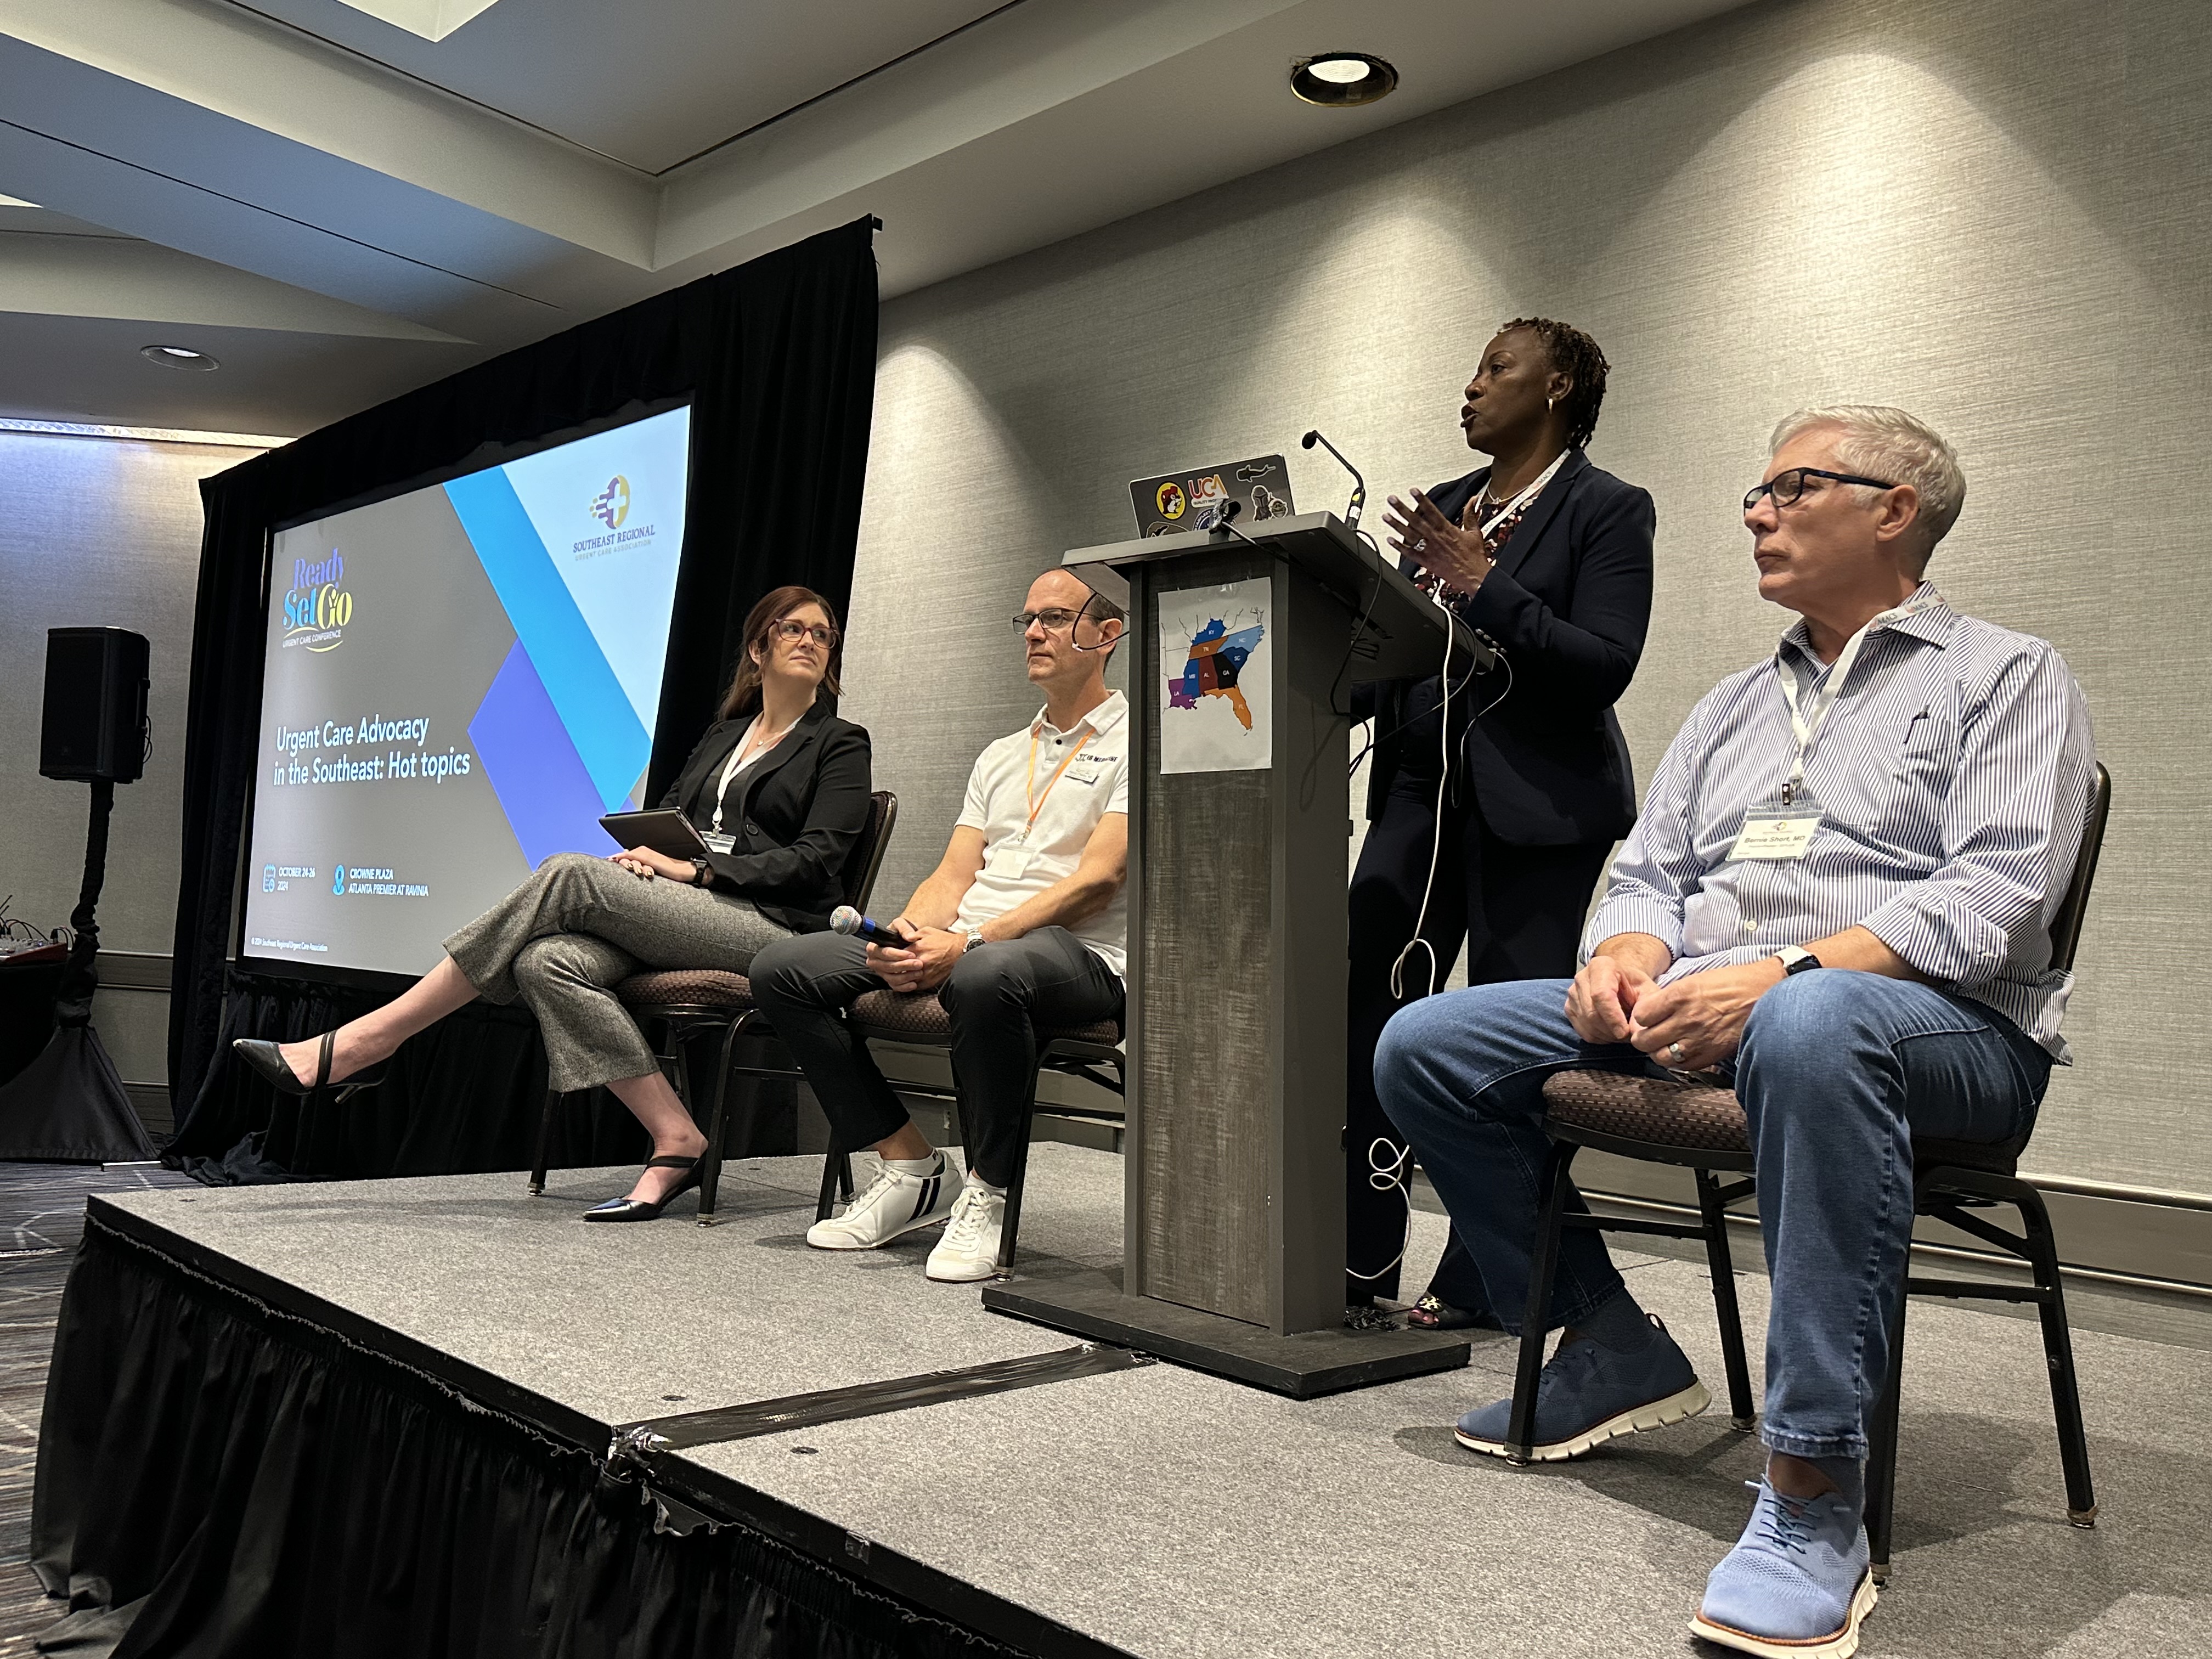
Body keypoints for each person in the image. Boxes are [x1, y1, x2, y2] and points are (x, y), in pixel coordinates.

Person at [1376, 406, 2095, 1656]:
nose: (1756, 511)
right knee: (1426, 1044)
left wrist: (1775, 978)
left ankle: (1812, 1486)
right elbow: (1651, 870)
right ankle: (1603, 1339)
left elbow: (2001, 896)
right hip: (1715, 1002)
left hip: (1940, 1026)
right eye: (1757, 493)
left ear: (1894, 508)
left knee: (1811, 1021)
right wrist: (1623, 957)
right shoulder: (1732, 704)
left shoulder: (2005, 673)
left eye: (1792, 486)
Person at [233, 586, 873, 1221]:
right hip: (687, 912)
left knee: (568, 873)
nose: (810, 641)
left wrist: (699, 870)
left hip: (775, 932)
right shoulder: (724, 736)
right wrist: (648, 856)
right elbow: (669, 816)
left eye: (822, 634)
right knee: (545, 961)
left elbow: (816, 860)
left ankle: (369, 1041)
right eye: (793, 628)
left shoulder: (840, 742)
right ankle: (678, 1138)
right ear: (759, 649)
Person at [1350, 318, 1655, 1320]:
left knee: (1498, 1044)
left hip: (1541, 809)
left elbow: (1603, 663)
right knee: (1369, 1020)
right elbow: (1397, 647)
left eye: (1495, 369)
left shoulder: (1607, 508)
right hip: (1416, 794)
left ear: (1557, 387)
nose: (1471, 387)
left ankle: (1485, 1276)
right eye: (1474, 370)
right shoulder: (1443, 507)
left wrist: (1486, 585)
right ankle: (1356, 1261)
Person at [750, 565, 1128, 1283]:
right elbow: (952, 878)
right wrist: (906, 937)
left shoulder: (1140, 740)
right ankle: (911, 1167)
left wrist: (969, 943)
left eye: (1054, 618)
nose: (1034, 633)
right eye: (1027, 620)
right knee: (783, 969)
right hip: (973, 944)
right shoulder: (1002, 754)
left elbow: (1098, 881)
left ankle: (990, 1190)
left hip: (1078, 955)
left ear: (1106, 634)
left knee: (984, 974)